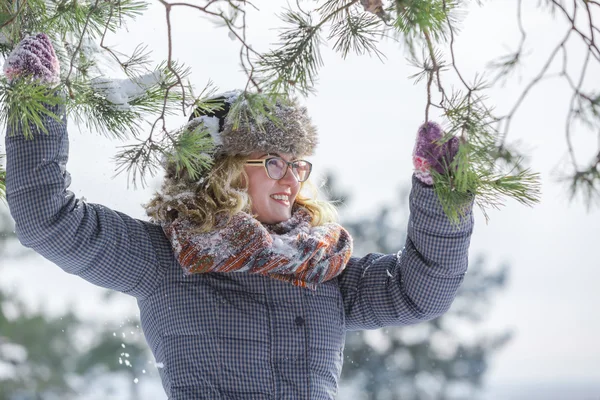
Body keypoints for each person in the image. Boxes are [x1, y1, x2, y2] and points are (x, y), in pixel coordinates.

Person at [5, 34, 473, 400]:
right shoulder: (167, 260)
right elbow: (48, 219)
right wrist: (37, 104)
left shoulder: (321, 270)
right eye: (272, 162)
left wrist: (440, 194)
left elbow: (420, 293)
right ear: (222, 171)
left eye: (298, 164)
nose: (291, 178)